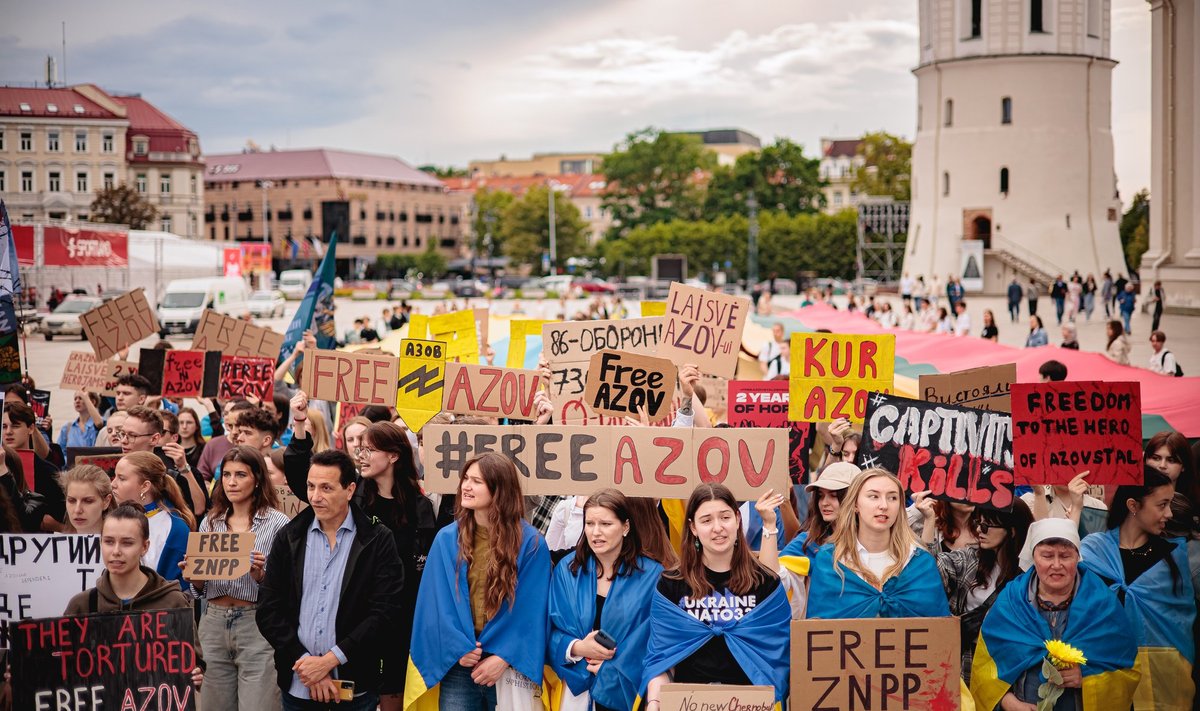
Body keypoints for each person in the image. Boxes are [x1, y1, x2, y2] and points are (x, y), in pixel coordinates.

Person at [256, 449, 404, 710]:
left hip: (354, 687)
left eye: (326, 488)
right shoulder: (289, 537)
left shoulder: (377, 539)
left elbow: (385, 611)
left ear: (349, 490)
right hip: (298, 684)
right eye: (311, 486)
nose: (315, 496)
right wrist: (305, 663)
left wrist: (329, 661)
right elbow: (269, 608)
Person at [406, 452, 550, 709]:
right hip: (459, 662)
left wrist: (504, 657)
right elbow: (433, 605)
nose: (466, 487)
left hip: (508, 665)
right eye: (465, 479)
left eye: (477, 481)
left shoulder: (532, 544)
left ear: (499, 489)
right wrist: (456, 647)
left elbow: (532, 610)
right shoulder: (446, 539)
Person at [641, 484, 790, 708]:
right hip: (686, 703)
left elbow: (777, 660)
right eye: (706, 520)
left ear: (738, 519)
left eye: (725, 517)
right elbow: (662, 660)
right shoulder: (670, 585)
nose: (718, 528)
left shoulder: (766, 583)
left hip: (750, 704)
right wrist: (653, 702)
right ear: (692, 527)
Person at [971, 519, 1141, 711]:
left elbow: (1127, 671)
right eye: (1047, 556)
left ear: (1078, 557)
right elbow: (984, 670)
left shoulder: (1103, 605)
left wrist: (1087, 677)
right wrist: (1008, 702)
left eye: (1065, 556)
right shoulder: (1010, 604)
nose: (1057, 564)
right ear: (1033, 557)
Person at [182, 446, 290, 711]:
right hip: (213, 622)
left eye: (240, 475)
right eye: (226, 474)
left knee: (259, 705)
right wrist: (194, 575)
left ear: (257, 479)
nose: (231, 482)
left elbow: (286, 585)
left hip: (257, 623)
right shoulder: (211, 522)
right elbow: (202, 588)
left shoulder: (278, 523)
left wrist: (262, 575)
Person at [1080, 468, 1195, 709]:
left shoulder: (1175, 556)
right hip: (1105, 671)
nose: (1169, 513)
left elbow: (1181, 623)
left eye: (1170, 504)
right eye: (1162, 505)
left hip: (1163, 677)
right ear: (1133, 505)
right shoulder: (1092, 551)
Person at [62, 504, 204, 690]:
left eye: (127, 543)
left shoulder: (173, 601)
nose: (116, 551)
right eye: (109, 541)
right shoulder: (82, 604)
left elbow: (192, 659)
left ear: (144, 547)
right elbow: (60, 663)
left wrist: (196, 673)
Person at [547, 489, 663, 711]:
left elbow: (656, 640)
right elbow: (550, 629)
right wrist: (578, 647)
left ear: (626, 527)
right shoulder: (567, 570)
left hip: (627, 692)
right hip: (575, 691)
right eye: (590, 524)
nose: (596, 532)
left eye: (606, 524)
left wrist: (613, 667)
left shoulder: (653, 576)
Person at [352, 421, 436, 708]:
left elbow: (424, 563)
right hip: (358, 614)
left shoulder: (419, 505)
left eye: (369, 450)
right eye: (359, 449)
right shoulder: (353, 499)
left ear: (394, 456)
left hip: (403, 617)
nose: (361, 455)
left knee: (393, 689)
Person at [916, 496, 1033, 683]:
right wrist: (929, 520)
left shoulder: (1029, 574)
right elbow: (926, 570)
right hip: (965, 664)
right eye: (978, 523)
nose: (979, 530)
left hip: (1007, 668)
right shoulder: (970, 560)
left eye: (987, 526)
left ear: (1011, 531)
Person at [807, 469, 951, 619]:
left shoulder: (920, 561)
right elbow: (817, 633)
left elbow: (938, 632)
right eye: (874, 496)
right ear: (855, 504)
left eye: (892, 498)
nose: (884, 505)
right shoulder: (830, 560)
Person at [760, 462, 861, 619]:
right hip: (821, 636)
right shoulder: (809, 542)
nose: (824, 502)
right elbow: (772, 581)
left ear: (856, 500)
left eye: (833, 496)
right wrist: (769, 525)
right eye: (820, 495)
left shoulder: (876, 538)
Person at [111, 451, 195, 585]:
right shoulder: (111, 517)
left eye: (121, 478)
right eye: (114, 477)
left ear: (145, 486)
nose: (113, 484)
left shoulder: (174, 528)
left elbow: (180, 588)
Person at [120, 405, 208, 517]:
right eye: (122, 434)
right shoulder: (110, 470)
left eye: (132, 435)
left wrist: (184, 468)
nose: (123, 441)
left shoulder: (173, 474)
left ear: (154, 439)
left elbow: (198, 509)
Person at [3, 402, 65, 531]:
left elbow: (62, 519)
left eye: (15, 426)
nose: (8, 432)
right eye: (3, 427)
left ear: (30, 428)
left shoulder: (48, 472)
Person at [59, 464, 115, 534]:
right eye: (71, 501)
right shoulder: (55, 544)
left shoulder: (123, 542)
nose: (77, 510)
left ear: (106, 501)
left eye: (88, 501)